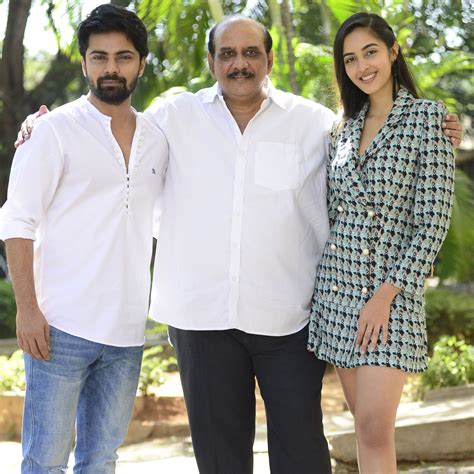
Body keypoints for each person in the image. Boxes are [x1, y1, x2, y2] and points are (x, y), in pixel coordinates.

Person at [16, 14, 463, 474]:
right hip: (201, 320)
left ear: (270, 59)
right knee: (220, 460)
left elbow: (375, 149)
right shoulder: (171, 119)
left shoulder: (316, 124)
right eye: (227, 53)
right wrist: (42, 126)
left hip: (288, 318)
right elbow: (111, 124)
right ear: (211, 62)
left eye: (251, 52)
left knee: (303, 457)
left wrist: (442, 128)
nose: (239, 63)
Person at [0, 4, 168, 473]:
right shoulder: (53, 131)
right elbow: (17, 221)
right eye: (99, 57)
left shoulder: (158, 138)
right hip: (59, 328)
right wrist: (28, 310)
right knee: (44, 461)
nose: (111, 68)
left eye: (123, 57)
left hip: (127, 333)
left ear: (141, 63)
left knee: (101, 460)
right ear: (84, 63)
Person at [307, 12, 455, 474]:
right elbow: (332, 211)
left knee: (375, 428)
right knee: (362, 427)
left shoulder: (429, 120)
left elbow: (432, 222)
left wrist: (385, 296)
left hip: (391, 296)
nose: (361, 66)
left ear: (393, 52)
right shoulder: (340, 129)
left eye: (370, 52)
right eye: (350, 59)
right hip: (338, 294)